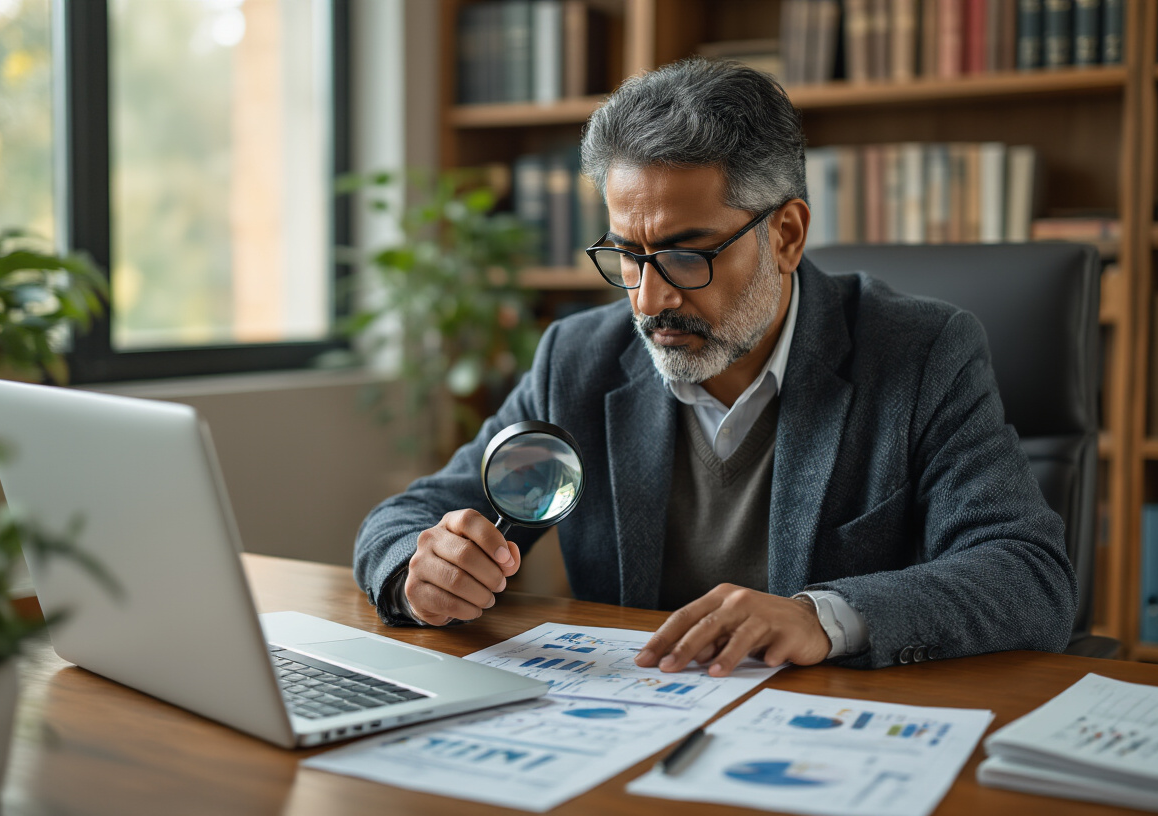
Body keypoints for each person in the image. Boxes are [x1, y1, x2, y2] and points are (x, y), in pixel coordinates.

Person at [354, 58, 1077, 671]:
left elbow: (1029, 575)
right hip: (632, 727)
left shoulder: (920, 354)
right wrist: (421, 571)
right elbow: (407, 516)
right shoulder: (579, 357)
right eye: (627, 256)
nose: (649, 298)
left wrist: (823, 617)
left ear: (786, 235)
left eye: (685, 253)